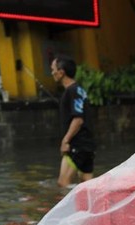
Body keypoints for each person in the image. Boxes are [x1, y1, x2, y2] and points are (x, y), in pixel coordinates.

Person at [50, 55, 96, 187]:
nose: (52, 72)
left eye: (53, 69)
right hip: (87, 146)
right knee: (87, 187)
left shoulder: (72, 91)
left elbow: (78, 120)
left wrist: (65, 140)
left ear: (61, 72)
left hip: (77, 146)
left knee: (63, 184)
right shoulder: (79, 90)